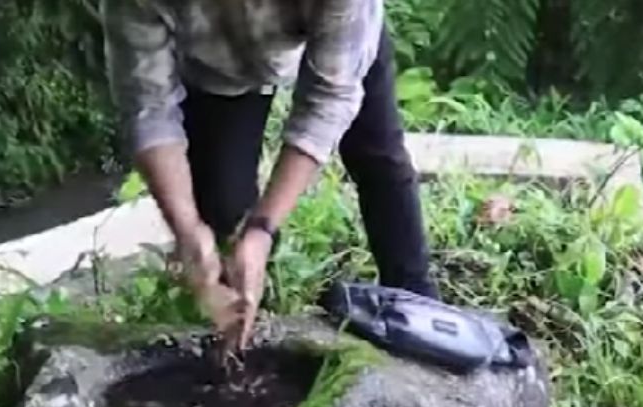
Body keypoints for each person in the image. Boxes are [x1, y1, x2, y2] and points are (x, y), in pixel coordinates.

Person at [101, 1, 437, 351]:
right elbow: (147, 107)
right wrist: (187, 229)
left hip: (339, 36)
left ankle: (420, 309)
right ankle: (242, 335)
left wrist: (263, 227)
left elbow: (329, 98)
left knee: (378, 155)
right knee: (220, 211)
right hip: (215, 65)